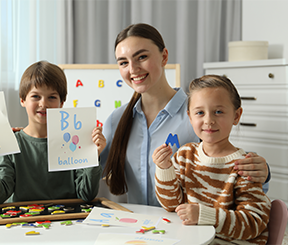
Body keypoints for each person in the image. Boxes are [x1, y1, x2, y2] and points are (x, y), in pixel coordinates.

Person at [100, 23, 270, 206]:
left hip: (186, 228)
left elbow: (228, 171)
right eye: (123, 62)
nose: (133, 69)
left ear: (164, 56)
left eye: (141, 57)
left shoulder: (199, 116)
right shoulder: (116, 120)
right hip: (136, 227)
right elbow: (89, 178)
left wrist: (262, 171)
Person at [0, 60, 106, 204]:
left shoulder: (75, 140)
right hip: (23, 224)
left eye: (52, 97)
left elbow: (87, 194)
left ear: (62, 103)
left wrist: (92, 155)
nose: (43, 104)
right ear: (23, 100)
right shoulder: (11, 142)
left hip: (68, 220)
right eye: (36, 96)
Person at [153, 75, 271, 244]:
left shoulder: (244, 166)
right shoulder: (185, 155)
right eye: (200, 112)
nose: (209, 120)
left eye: (218, 112)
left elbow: (253, 223)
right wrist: (164, 169)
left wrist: (204, 215)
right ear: (190, 117)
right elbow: (172, 205)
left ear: (236, 116)